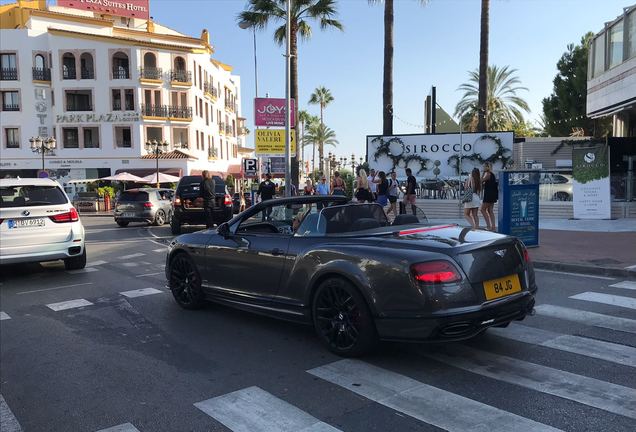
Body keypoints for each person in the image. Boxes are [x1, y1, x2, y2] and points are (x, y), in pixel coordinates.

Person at [481, 162, 498, 231]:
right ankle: (493, 227)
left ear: (488, 167)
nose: (483, 168)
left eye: (484, 166)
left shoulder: (488, 174)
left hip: (489, 194)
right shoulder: (492, 174)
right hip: (493, 194)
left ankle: (488, 226)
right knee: (490, 210)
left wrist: (482, 174)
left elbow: (480, 181)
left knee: (482, 209)